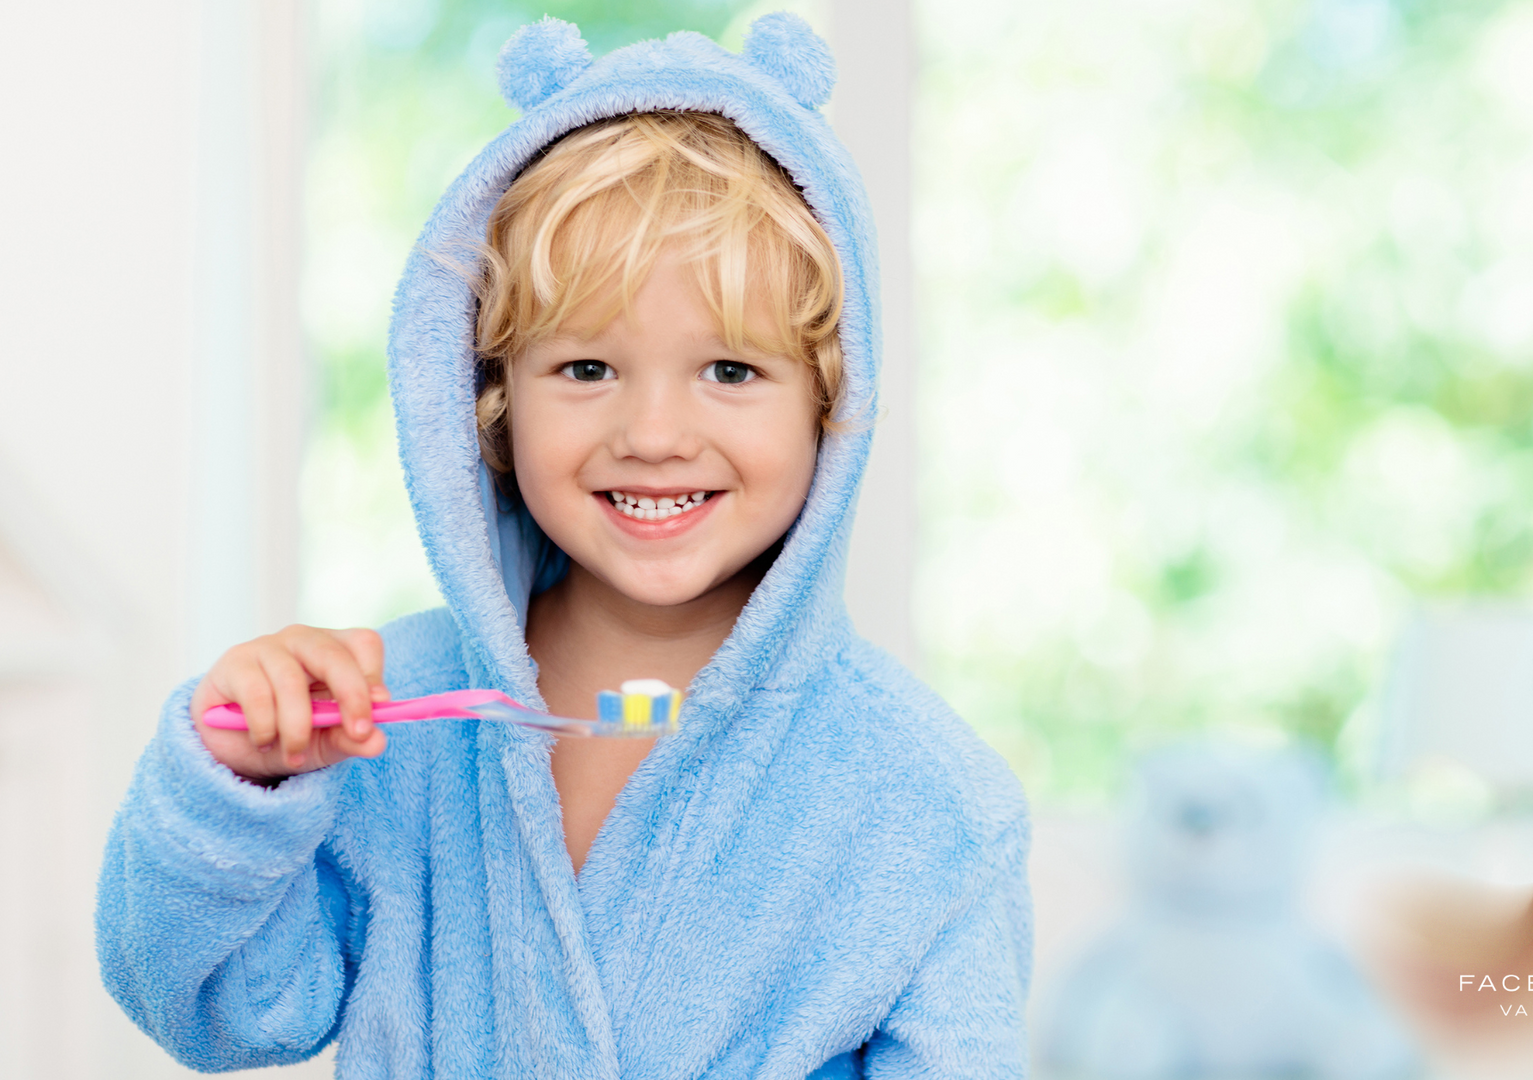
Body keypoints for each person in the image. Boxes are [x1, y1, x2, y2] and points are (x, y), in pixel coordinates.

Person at [95, 14, 1030, 1079]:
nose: (655, 435)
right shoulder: (383, 718)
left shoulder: (925, 805)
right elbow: (212, 1010)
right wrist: (241, 788)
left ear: (832, 397)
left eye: (730, 370)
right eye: (587, 369)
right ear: (491, 401)